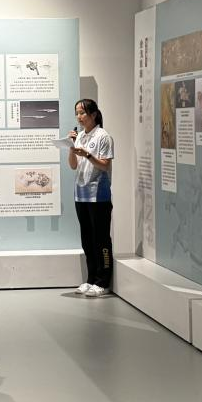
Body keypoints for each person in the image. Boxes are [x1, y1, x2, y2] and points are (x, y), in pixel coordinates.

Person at [68, 98, 114, 296]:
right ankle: (91, 279)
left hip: (98, 196)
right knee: (87, 238)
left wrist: (87, 155)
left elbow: (105, 165)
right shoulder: (80, 136)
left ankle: (103, 281)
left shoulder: (103, 136)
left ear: (94, 114)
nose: (79, 117)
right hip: (81, 194)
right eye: (77, 113)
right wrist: (71, 147)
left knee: (101, 239)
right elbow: (73, 165)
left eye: (82, 113)